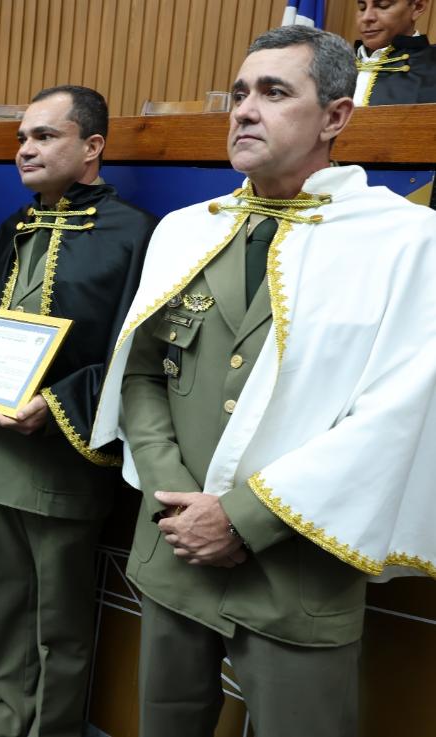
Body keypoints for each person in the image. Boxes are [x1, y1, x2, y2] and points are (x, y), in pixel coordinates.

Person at [91, 25, 436, 737]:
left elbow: (398, 411)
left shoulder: (406, 241)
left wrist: (243, 519)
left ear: (335, 117)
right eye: (241, 92)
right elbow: (143, 372)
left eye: (275, 92)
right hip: (175, 543)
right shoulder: (186, 230)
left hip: (299, 563)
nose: (245, 109)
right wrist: (173, 499)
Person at [0, 86, 155, 737]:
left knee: (61, 619)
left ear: (92, 146)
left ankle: (53, 729)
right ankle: (6, 719)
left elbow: (135, 356)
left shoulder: (133, 233)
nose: (25, 149)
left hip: (63, 454)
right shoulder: (16, 225)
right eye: (22, 138)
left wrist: (55, 403)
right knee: (9, 601)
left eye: (44, 136)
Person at [354, 0, 436, 105]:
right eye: (362, 7)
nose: (366, 17)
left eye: (383, 5)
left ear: (417, 7)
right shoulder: (337, 61)